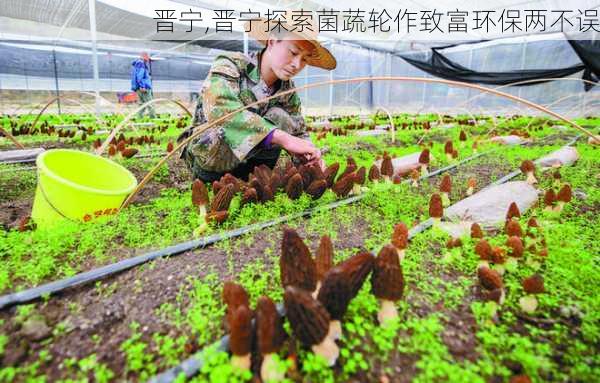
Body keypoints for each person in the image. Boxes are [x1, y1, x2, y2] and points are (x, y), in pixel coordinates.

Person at [179, 12, 336, 182]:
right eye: (293, 52)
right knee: (222, 127)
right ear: (273, 40)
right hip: (211, 159)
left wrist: (311, 155)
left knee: (281, 116)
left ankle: (255, 178)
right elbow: (220, 110)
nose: (296, 65)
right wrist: (280, 137)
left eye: (304, 59)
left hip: (252, 168)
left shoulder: (287, 90)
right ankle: (210, 181)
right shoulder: (230, 65)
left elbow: (298, 130)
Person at [131, 52, 156, 119]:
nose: (148, 59)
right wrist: (143, 86)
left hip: (138, 88)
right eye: (148, 57)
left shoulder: (137, 64)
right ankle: (153, 119)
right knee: (150, 104)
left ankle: (139, 119)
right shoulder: (141, 64)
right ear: (145, 56)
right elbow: (140, 76)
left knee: (141, 105)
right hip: (143, 88)